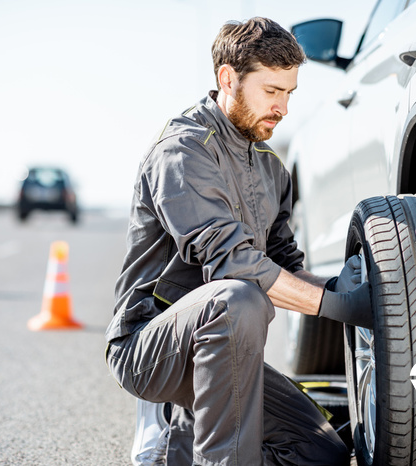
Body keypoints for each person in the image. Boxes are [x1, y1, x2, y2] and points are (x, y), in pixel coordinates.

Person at [105, 17, 372, 465]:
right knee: (237, 299)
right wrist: (337, 308)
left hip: (227, 345)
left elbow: (284, 265)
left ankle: (185, 453)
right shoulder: (183, 150)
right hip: (152, 345)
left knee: (319, 452)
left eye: (289, 93)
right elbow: (231, 263)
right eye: (271, 91)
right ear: (228, 78)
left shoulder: (271, 167)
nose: (283, 107)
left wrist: (339, 288)